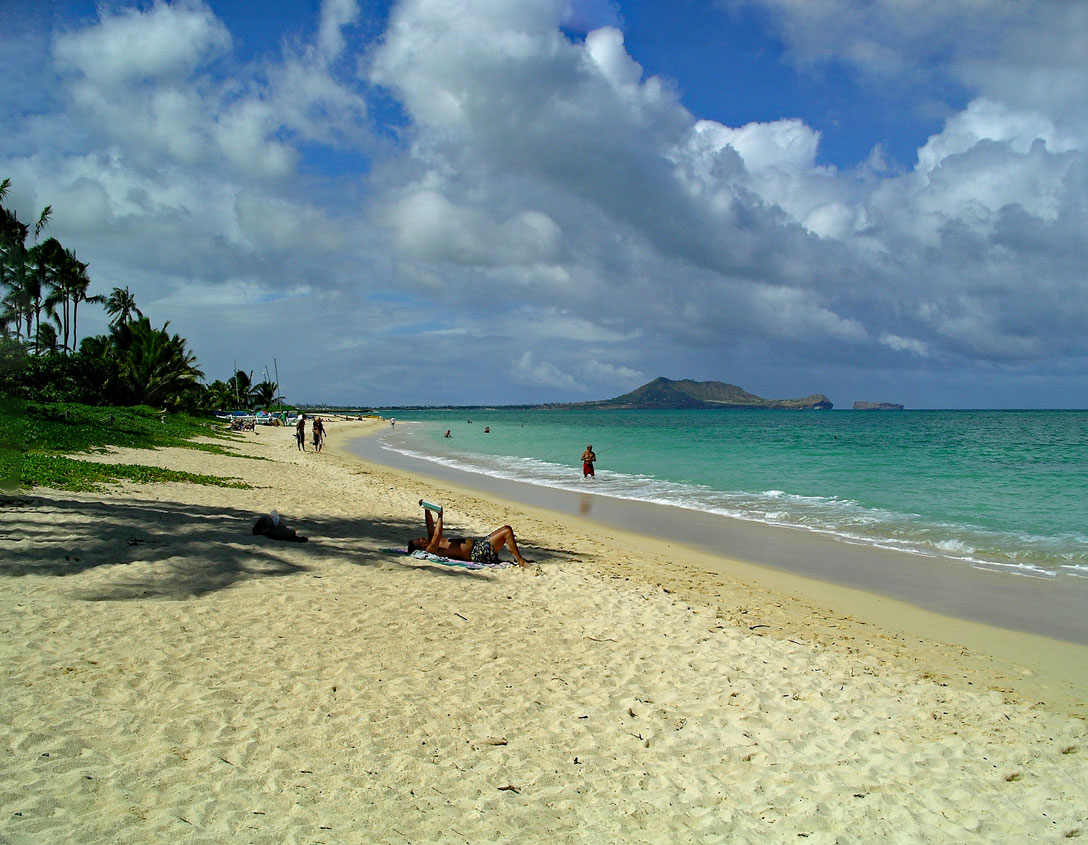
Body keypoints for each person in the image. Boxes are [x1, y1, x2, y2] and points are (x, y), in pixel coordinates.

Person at [407, 504, 532, 567]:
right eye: (419, 541)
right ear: (421, 548)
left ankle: (517, 558)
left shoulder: (430, 542)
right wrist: (440, 515)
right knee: (507, 531)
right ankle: (520, 561)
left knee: (505, 530)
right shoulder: (431, 549)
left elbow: (430, 525)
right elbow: (437, 534)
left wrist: (426, 508)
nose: (421, 538)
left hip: (479, 546)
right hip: (478, 554)